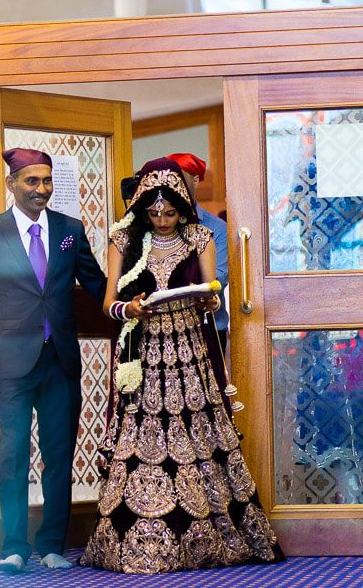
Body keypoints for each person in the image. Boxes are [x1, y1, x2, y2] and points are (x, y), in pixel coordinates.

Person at [80, 157, 284, 574]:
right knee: (142, 436)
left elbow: (211, 292)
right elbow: (106, 304)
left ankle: (207, 539)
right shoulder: (124, 239)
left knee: (199, 432)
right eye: (153, 212)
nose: (162, 219)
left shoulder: (200, 235)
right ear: (140, 206)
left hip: (191, 347)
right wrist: (130, 307)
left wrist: (209, 300)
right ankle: (136, 540)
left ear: (183, 206)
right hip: (143, 349)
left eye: (170, 211)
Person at [0, 147, 107, 573]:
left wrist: (130, 303)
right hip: (10, 366)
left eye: (46, 181)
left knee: (59, 454)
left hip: (61, 361)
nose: (41, 189)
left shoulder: (70, 229)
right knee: (12, 457)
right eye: (32, 181)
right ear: (13, 185)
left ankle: (51, 546)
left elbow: (98, 284)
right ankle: (14, 547)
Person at [166, 153, 229, 352]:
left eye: (179, 179)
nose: (172, 187)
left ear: (195, 180)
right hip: (167, 330)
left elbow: (218, 278)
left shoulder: (216, 228)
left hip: (208, 327)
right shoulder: (157, 226)